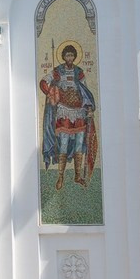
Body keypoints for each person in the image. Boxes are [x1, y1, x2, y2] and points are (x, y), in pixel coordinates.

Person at [39, 43, 97, 190]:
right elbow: (43, 82)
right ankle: (60, 177)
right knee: (63, 144)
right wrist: (51, 92)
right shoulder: (57, 71)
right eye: (67, 55)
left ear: (74, 57)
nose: (69, 57)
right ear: (63, 56)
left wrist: (89, 107)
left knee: (79, 144)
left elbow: (85, 91)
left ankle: (78, 176)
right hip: (64, 112)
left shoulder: (79, 72)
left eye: (71, 55)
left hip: (79, 113)